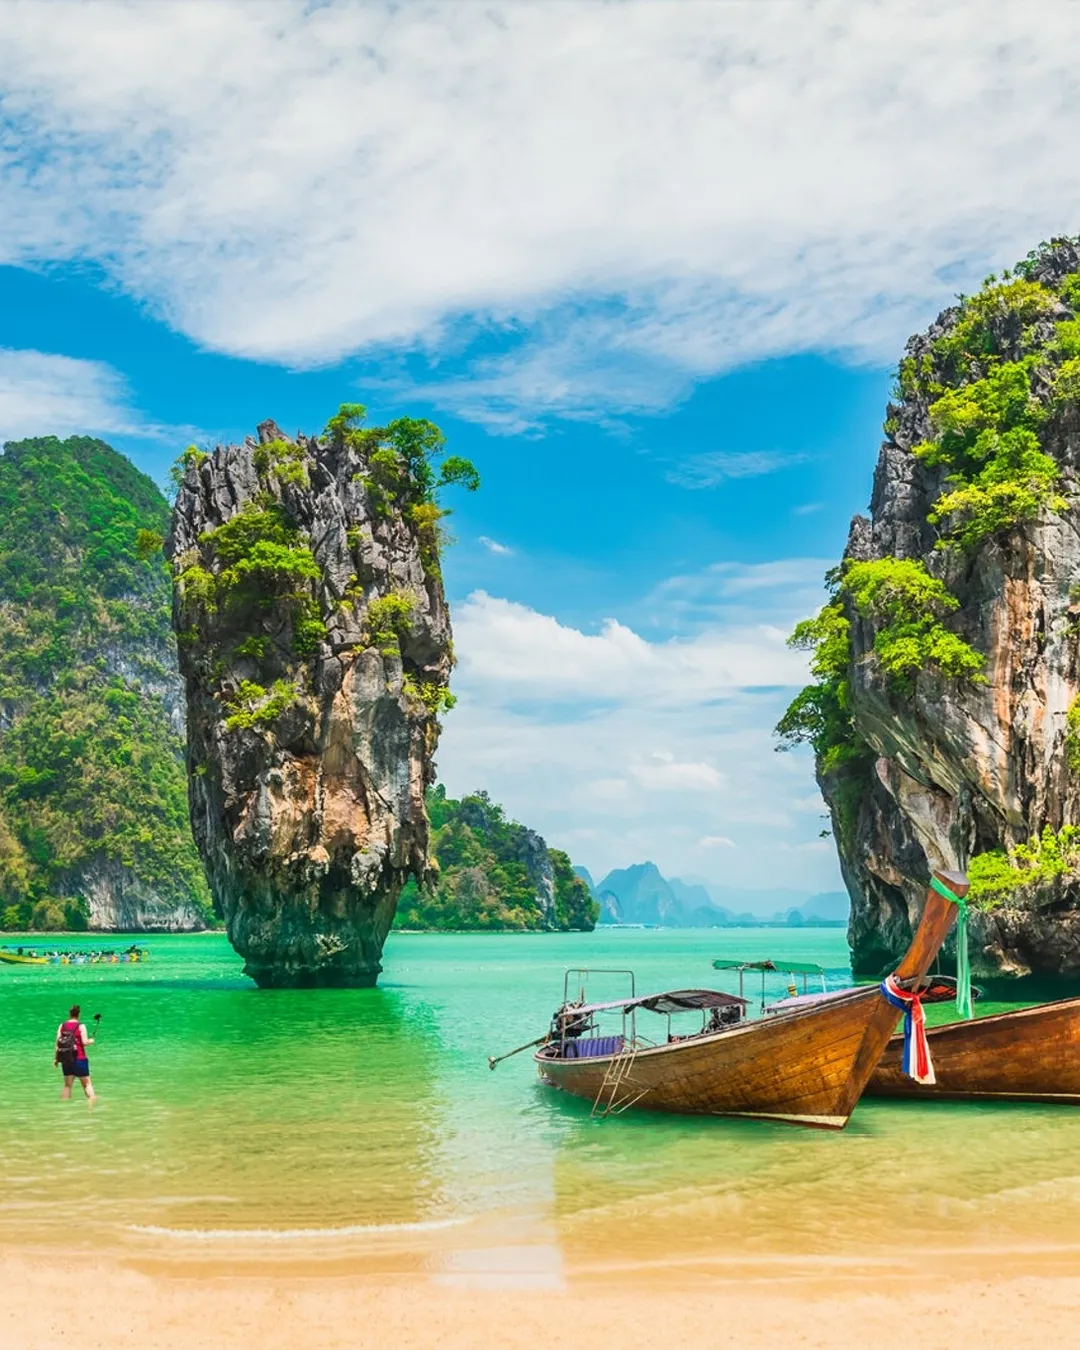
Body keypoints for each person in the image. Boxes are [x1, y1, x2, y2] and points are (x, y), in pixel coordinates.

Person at [55, 1003, 95, 1105]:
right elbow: (84, 1042)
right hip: (79, 1058)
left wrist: (56, 1059)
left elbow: (58, 1043)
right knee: (87, 1085)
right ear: (79, 1014)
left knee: (67, 1086)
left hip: (66, 1059)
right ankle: (92, 1109)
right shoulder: (81, 1026)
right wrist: (91, 1041)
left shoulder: (62, 1025)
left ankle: (63, 1109)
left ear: (69, 1013)